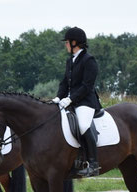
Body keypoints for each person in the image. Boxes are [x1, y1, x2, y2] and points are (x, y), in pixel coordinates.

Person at [52, 27, 102, 177]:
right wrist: (58, 98)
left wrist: (71, 98)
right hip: (71, 102)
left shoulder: (89, 60)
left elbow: (87, 86)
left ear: (74, 43)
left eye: (67, 42)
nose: (65, 45)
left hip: (86, 102)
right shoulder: (70, 61)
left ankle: (93, 164)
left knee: (83, 125)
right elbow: (64, 83)